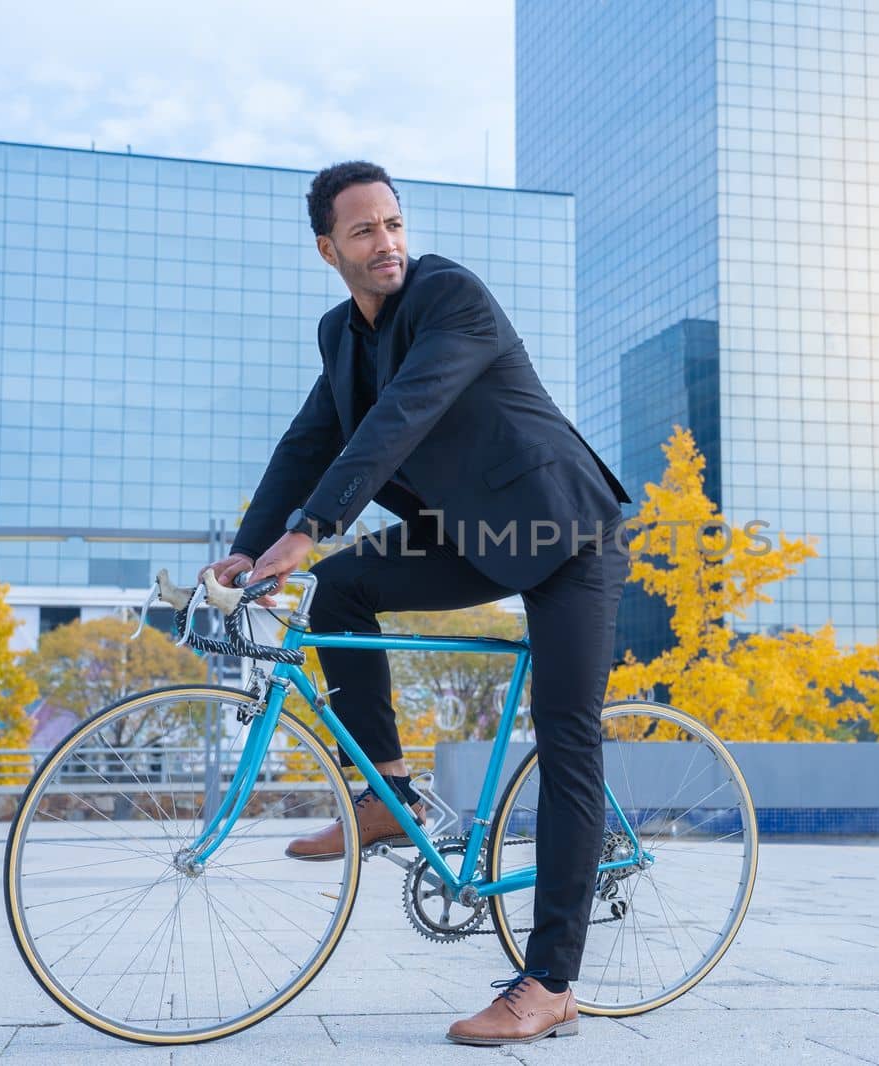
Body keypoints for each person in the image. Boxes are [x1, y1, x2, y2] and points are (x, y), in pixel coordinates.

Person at [200, 160, 631, 1046]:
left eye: (393, 224)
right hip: (478, 537)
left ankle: (550, 984)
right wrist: (251, 543)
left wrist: (313, 526)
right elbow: (309, 440)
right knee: (344, 588)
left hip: (565, 533)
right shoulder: (342, 336)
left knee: (566, 738)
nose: (386, 242)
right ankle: (384, 790)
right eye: (364, 231)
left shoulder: (450, 297)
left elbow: (402, 415)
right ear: (330, 249)